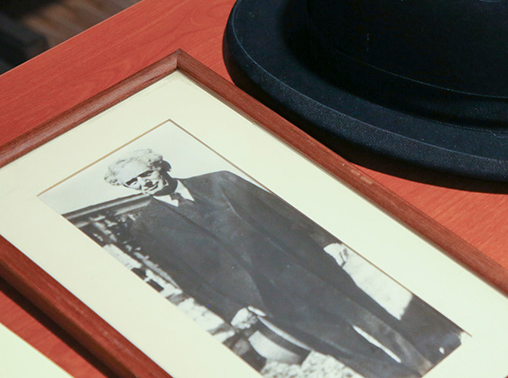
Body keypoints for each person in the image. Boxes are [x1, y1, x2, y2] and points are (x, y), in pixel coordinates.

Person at [103, 149, 461, 377]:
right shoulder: (146, 227)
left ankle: (433, 358)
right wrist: (230, 309)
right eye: (130, 183)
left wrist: (327, 239)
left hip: (307, 268)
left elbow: (283, 210)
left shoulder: (219, 181)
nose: (141, 185)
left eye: (143, 174)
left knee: (374, 318)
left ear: (160, 165)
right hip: (266, 299)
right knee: (342, 345)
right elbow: (185, 277)